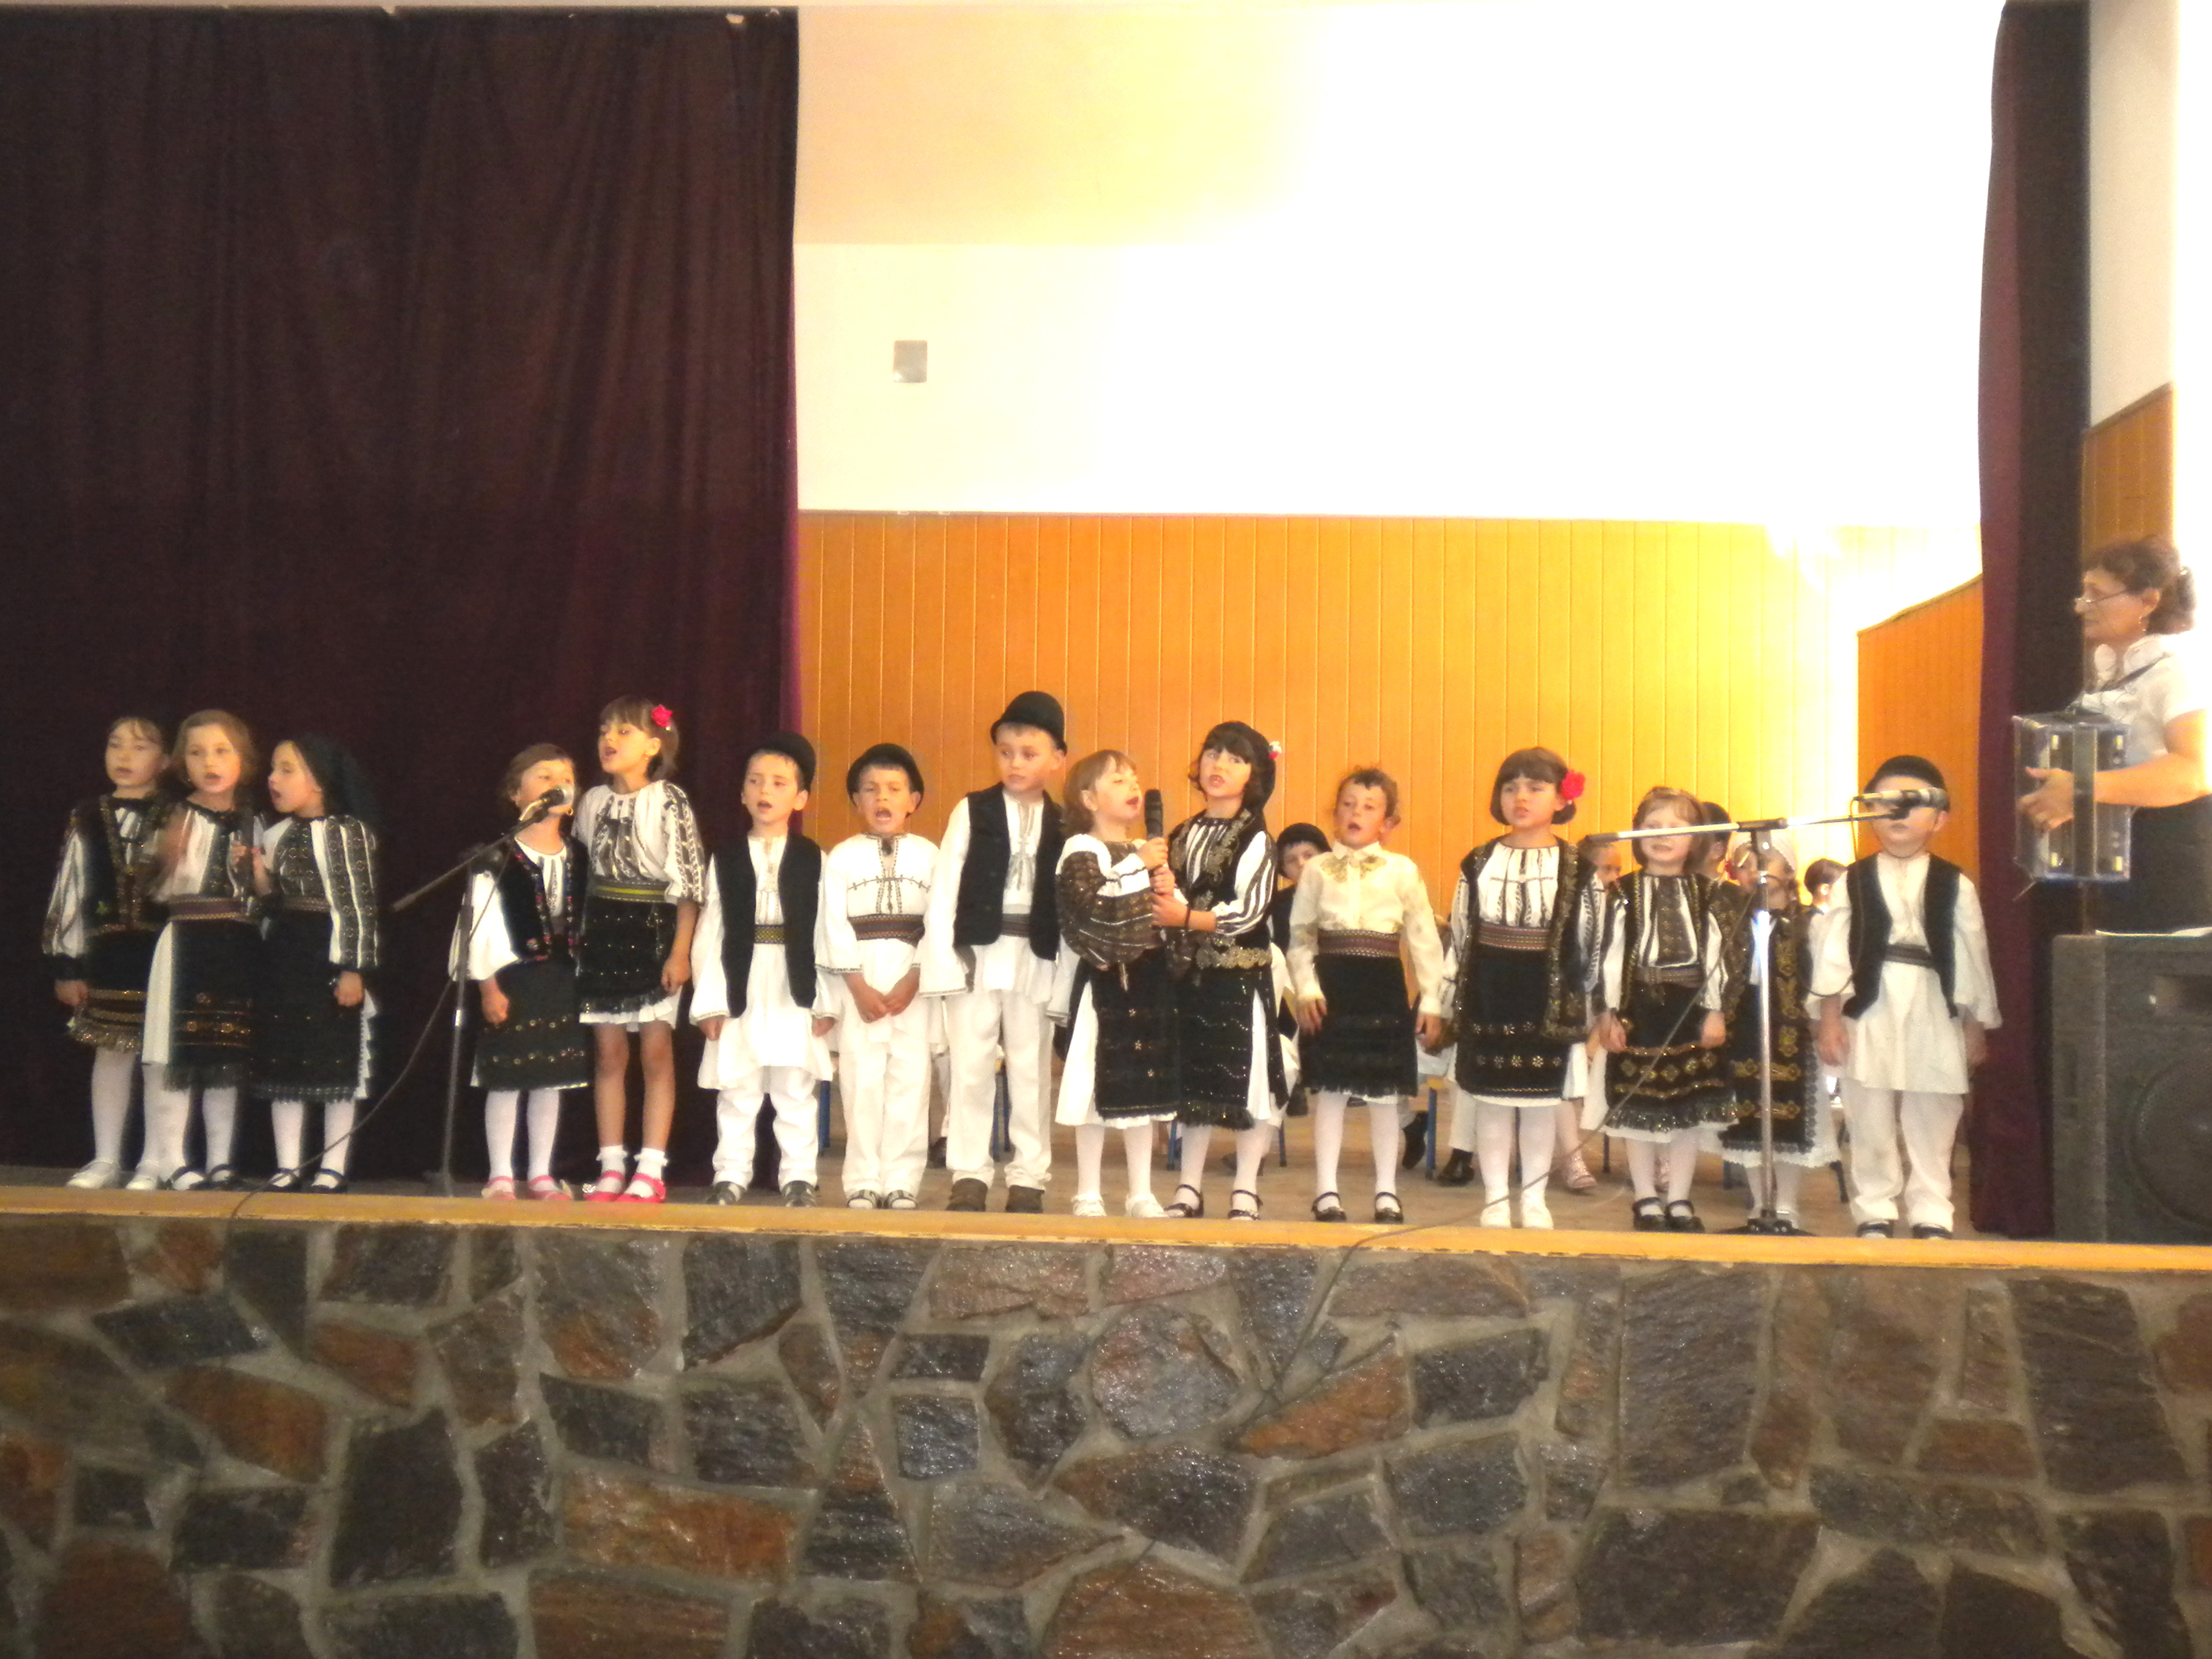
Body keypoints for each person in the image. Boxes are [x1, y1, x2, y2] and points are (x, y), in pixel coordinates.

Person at [1815, 756, 1999, 1239]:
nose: (1898, 812)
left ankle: (1932, 1210)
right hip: (1869, 1003)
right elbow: (1833, 954)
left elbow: (1973, 955)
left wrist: (1974, 1024)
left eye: (1912, 803)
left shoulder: (1955, 883)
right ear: (1868, 812)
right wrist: (1829, 1019)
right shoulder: (1852, 881)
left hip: (1934, 1002)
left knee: (1934, 1109)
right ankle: (1874, 1207)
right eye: (1886, 802)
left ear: (1940, 819)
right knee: (1868, 1111)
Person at [1435, 748, 1600, 1228]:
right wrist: (1448, 1001)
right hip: (1489, 991)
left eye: (1535, 788)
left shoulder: (1578, 868)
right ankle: (1493, 1197)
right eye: (1511, 788)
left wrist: (1586, 1006)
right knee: (1491, 1103)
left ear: (1560, 799)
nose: (1521, 798)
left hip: (1547, 996)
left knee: (1540, 1106)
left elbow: (1589, 942)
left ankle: (1534, 1199)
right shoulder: (1479, 861)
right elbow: (1462, 937)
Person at [921, 691, 1069, 1213]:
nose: (1015, 763)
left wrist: (1064, 973)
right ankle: (969, 1172)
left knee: (1031, 1068)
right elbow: (944, 889)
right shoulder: (973, 810)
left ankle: (1029, 1175)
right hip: (978, 956)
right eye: (1005, 753)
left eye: (1029, 753)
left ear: (1057, 759)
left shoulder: (1066, 822)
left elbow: (1071, 903)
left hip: (1037, 955)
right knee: (971, 1065)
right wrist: (944, 961)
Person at [2020, 535, 2212, 931]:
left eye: (2096, 595)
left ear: (2149, 601)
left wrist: (2080, 789)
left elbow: (2193, 772)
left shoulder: (2177, 670)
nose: (2081, 607)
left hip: (2176, 869)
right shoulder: (2113, 673)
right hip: (2126, 866)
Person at [1287, 766, 1446, 1224]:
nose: (1356, 813)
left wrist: (1431, 1000)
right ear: (1335, 813)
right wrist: (1307, 989)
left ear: (1388, 822)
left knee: (1384, 1095)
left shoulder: (1402, 871)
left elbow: (1423, 938)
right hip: (1332, 989)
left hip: (1382, 986)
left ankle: (1386, 1191)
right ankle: (1326, 1191)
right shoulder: (1316, 870)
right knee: (1331, 1092)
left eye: (1370, 807)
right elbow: (1301, 935)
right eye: (1348, 804)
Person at [693, 733, 834, 1207]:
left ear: (800, 798)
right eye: (755, 781)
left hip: (795, 983)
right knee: (739, 1086)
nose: (764, 790)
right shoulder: (727, 857)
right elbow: (711, 930)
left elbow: (826, 931)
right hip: (742, 980)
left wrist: (826, 1001)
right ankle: (731, 1174)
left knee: (795, 1086)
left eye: (778, 782)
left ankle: (799, 1176)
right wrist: (710, 1001)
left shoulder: (814, 858)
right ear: (742, 793)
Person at [574, 697, 705, 1202]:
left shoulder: (669, 800)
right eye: (604, 729)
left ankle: (651, 1168)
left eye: (624, 731)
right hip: (604, 931)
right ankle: (611, 1166)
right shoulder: (591, 802)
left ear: (653, 746)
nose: (609, 739)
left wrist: (680, 953)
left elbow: (689, 885)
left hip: (653, 930)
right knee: (608, 1054)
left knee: (655, 1052)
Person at [1155, 722, 1285, 1221]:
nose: (1218, 765)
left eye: (1234, 758)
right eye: (1212, 753)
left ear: (1253, 775)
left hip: (1239, 979)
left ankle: (1246, 1188)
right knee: (1195, 1085)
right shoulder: (1183, 834)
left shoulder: (1258, 839)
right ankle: (1188, 1187)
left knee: (1249, 1083)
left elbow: (1250, 912)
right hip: (1190, 979)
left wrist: (1186, 917)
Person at [1593, 785, 1737, 1232]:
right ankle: (1645, 1197)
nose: (1662, 835)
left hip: (1692, 1009)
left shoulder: (1710, 893)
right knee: (1638, 1108)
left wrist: (1716, 1011)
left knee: (1688, 1110)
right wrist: (1607, 1014)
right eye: (1652, 826)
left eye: (1676, 827)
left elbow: (1719, 956)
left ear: (1695, 839)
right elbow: (1609, 956)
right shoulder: (1622, 892)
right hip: (1639, 1009)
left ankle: (1679, 1197)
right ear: (1637, 835)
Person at [44, 715, 174, 1190]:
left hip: (163, 954)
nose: (124, 756)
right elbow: (71, 888)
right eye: (115, 745)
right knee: (111, 1055)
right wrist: (67, 963)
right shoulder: (88, 816)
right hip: (108, 955)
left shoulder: (178, 814)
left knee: (159, 1059)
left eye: (140, 747)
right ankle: (106, 1158)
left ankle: (155, 1159)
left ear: (166, 760)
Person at [250, 737, 380, 1192]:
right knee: (285, 1055)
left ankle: (333, 1166)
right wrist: (258, 877)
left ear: (320, 781)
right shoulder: (274, 834)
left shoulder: (347, 832)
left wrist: (353, 967)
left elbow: (356, 903)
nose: (273, 779)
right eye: (273, 769)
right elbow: (271, 904)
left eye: (288, 770)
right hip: (287, 952)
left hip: (328, 952)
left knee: (335, 1059)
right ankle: (288, 1165)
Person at [141, 711, 263, 1190]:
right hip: (187, 941)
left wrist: (256, 874)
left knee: (224, 1054)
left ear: (243, 759)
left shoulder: (253, 818)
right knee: (179, 1053)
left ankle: (220, 1161)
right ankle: (173, 1159)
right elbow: (147, 889)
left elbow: (266, 897)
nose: (210, 763)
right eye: (197, 753)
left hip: (235, 943)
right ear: (182, 764)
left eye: (221, 751)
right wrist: (166, 859)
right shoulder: (172, 814)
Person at [1051, 750, 1175, 1218]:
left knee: (1143, 1089)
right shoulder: (1081, 849)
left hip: (1147, 982)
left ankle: (1141, 1191)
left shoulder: (1145, 849)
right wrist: (1138, 866)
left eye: (1134, 778)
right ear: (1089, 798)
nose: (1132, 786)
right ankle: (1088, 1190)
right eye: (1118, 779)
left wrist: (1168, 893)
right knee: (1094, 1084)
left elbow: (1164, 920)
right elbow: (1089, 909)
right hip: (1105, 984)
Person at [466, 745, 591, 1200]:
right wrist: (489, 987)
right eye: (544, 777)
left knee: (550, 1078)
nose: (556, 785)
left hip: (560, 980)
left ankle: (540, 1172)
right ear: (515, 793)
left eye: (565, 778)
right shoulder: (498, 856)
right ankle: (501, 1173)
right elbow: (479, 927)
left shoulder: (578, 855)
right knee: (507, 1077)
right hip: (512, 980)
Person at [820, 743, 939, 1210]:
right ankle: (863, 1180)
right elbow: (832, 925)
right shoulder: (842, 858)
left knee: (911, 1080)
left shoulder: (931, 857)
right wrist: (856, 985)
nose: (882, 798)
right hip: (860, 983)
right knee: (861, 1081)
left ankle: (902, 1179)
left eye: (893, 789)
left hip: (914, 984)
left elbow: (940, 923)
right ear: (856, 801)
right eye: (870, 790)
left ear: (914, 800)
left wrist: (915, 978)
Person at [1715, 831, 1831, 1233]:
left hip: (1793, 1033)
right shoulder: (1730, 923)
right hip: (1742, 1027)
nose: (1755, 872)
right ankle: (1758, 1202)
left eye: (1764, 863)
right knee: (1746, 1114)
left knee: (1790, 1115)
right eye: (1745, 865)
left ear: (1790, 869)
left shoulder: (1811, 923)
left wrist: (1820, 1022)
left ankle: (1786, 1205)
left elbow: (1824, 979)